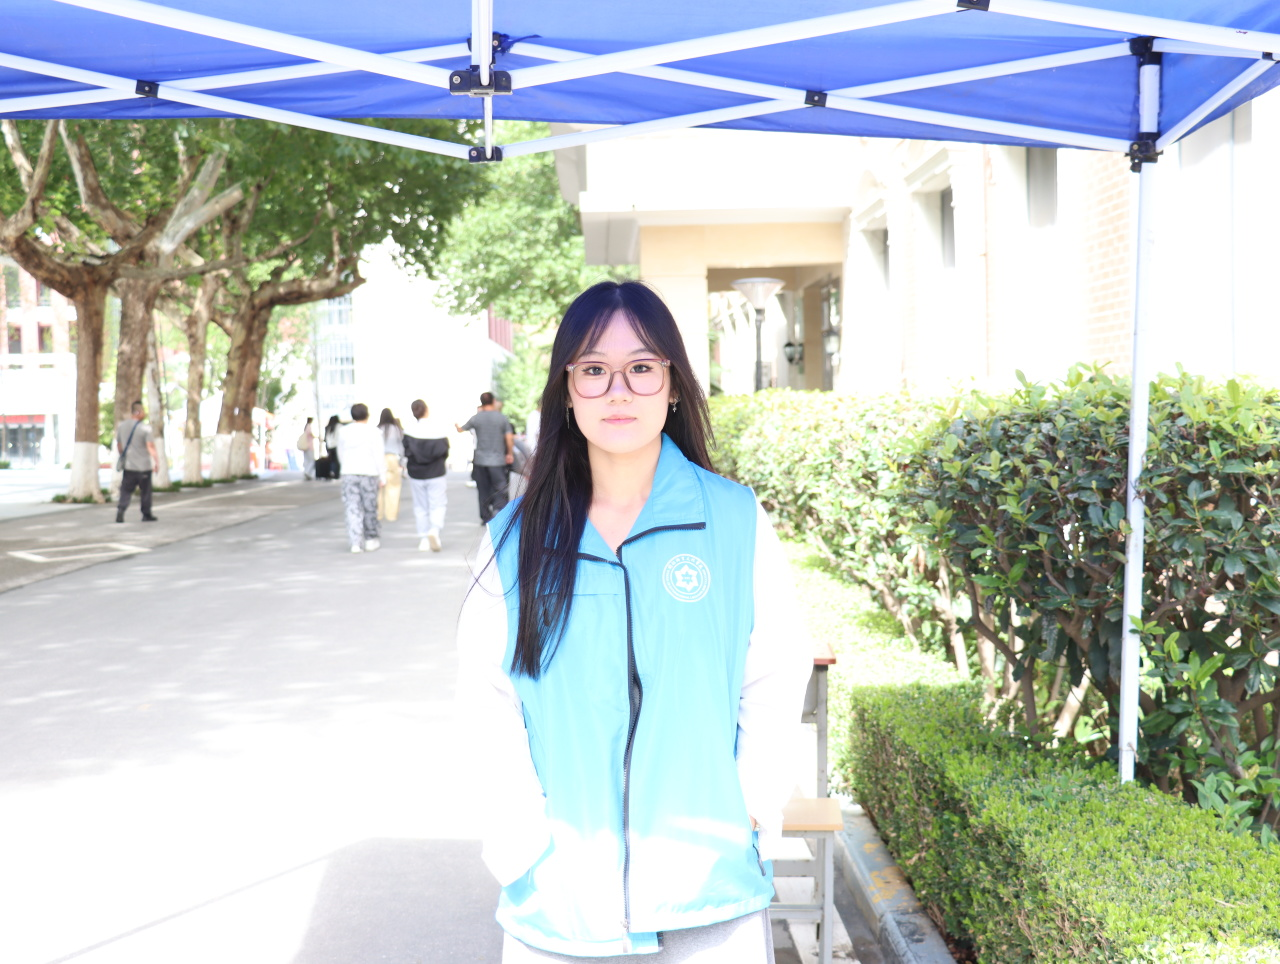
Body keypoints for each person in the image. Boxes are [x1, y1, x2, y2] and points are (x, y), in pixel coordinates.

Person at [456, 281, 811, 962]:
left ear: (672, 385)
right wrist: (523, 843)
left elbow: (772, 675)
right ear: (567, 391)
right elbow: (487, 702)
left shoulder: (733, 519)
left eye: (642, 367)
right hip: (562, 897)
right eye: (594, 370)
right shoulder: (515, 540)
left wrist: (747, 808)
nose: (618, 391)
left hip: (708, 890)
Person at [456, 392, 514, 524]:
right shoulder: (501, 418)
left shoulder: (476, 418)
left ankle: (485, 517)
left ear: (481, 402)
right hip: (497, 460)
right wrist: (509, 453)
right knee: (500, 488)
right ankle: (500, 512)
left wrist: (456, 426)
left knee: (483, 489)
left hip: (480, 460)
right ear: (493, 401)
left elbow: (461, 429)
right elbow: (509, 437)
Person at [337, 403, 386, 552]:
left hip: (349, 472)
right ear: (367, 415)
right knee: (370, 507)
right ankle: (371, 539)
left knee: (352, 507)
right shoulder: (374, 432)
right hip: (369, 473)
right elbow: (379, 455)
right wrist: (382, 475)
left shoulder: (343, 432)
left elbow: (340, 453)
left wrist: (345, 466)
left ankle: (355, 542)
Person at [403, 398, 450, 552]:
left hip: (416, 473)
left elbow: (406, 452)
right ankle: (434, 530)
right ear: (426, 410)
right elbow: (444, 451)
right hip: (436, 473)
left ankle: (423, 539)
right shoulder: (438, 429)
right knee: (438, 504)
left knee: (420, 506)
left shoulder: (409, 431)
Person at [115, 400, 160, 523]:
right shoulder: (145, 428)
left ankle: (121, 510)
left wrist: (125, 456)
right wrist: (156, 462)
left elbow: (119, 446)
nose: (144, 414)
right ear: (138, 412)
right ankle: (146, 514)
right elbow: (150, 446)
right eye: (143, 411)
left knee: (125, 490)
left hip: (129, 466)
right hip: (143, 466)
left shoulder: (122, 426)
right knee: (145, 492)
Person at [377, 407, 404, 523]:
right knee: (393, 487)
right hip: (393, 458)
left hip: (380, 459)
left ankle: (378, 513)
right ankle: (391, 515)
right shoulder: (397, 429)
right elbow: (401, 446)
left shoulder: (377, 429)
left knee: (379, 488)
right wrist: (402, 461)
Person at [324, 414, 342, 480]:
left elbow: (325, 438)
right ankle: (337, 474)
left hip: (329, 446)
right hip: (337, 446)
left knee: (332, 460)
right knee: (337, 460)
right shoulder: (339, 426)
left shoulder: (328, 427)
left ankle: (332, 473)